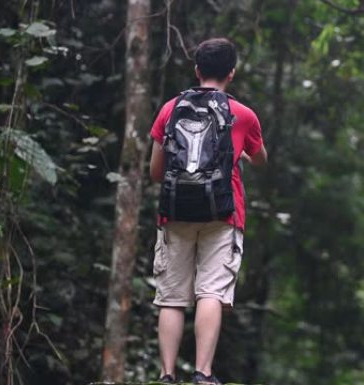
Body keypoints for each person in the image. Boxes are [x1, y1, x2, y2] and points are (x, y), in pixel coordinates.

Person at [148, 37, 267, 385]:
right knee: (211, 292)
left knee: (171, 297)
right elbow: (261, 160)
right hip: (223, 214)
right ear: (232, 73)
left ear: (196, 70)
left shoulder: (170, 109)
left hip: (175, 211)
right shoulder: (243, 115)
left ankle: (167, 375)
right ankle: (202, 374)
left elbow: (156, 172)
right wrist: (242, 153)